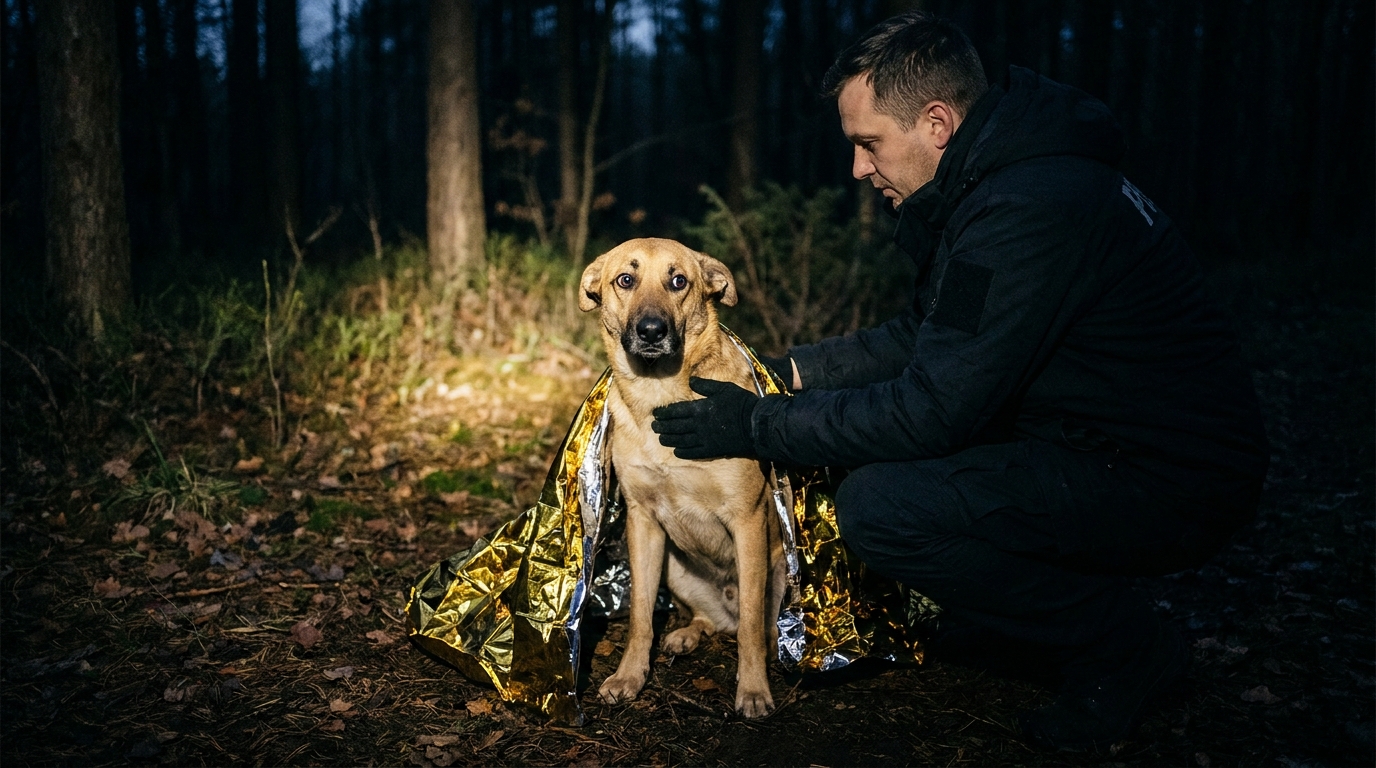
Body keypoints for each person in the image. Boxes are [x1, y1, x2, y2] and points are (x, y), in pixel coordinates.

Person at [650, 10, 1269, 752]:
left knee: (883, 505)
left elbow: (931, 412)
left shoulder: (1025, 209)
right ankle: (1015, 614)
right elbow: (925, 336)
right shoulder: (1005, 181)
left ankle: (1124, 649)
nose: (858, 168)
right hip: (1093, 434)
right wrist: (785, 373)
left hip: (1172, 475)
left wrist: (759, 426)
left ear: (937, 123)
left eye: (868, 144)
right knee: (883, 462)